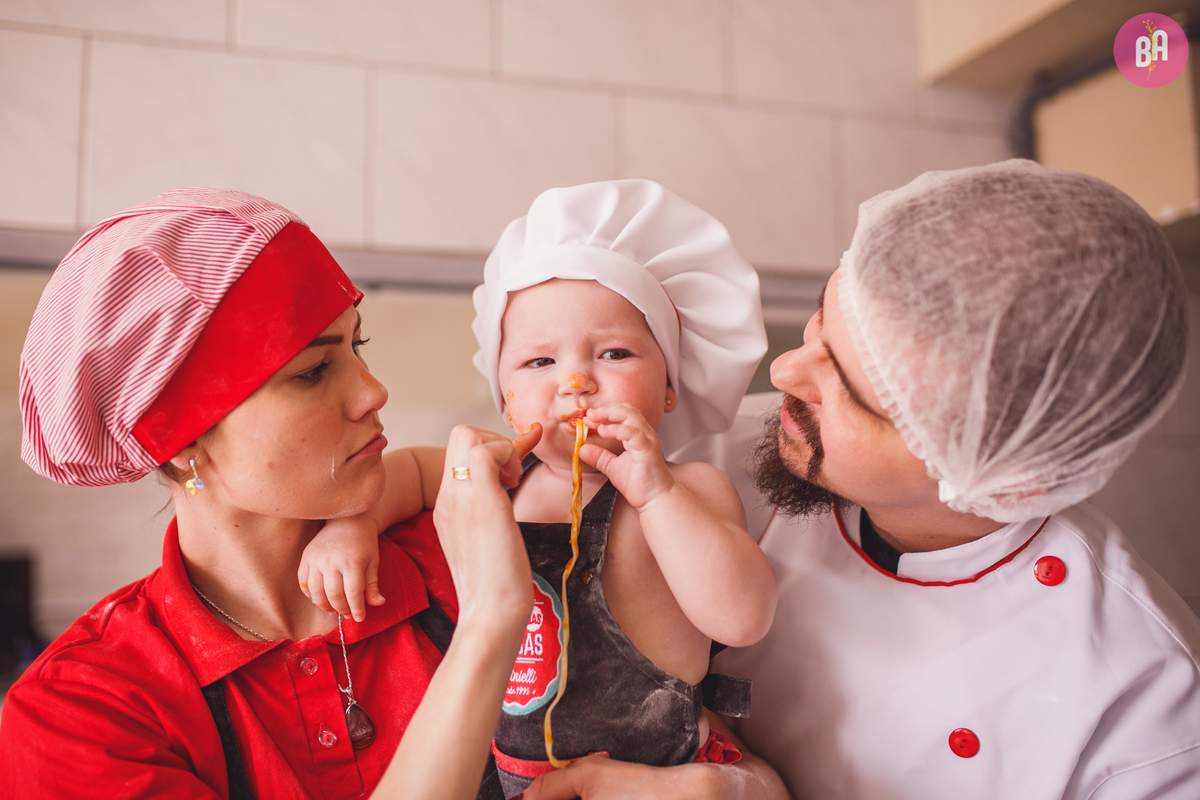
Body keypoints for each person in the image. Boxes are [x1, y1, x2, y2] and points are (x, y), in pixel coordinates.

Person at [0, 188, 540, 800]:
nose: (373, 393)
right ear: (180, 440)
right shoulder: (78, 710)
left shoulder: (475, 543)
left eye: (356, 347)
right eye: (312, 371)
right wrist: (489, 628)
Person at [700, 160, 1200, 799]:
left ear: (1002, 474)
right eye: (822, 320)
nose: (786, 374)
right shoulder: (715, 461)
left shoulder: (1140, 704)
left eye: (848, 393)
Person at [298, 180, 784, 799]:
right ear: (503, 400)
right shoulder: (495, 469)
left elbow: (743, 618)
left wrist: (656, 494)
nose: (577, 381)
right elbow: (407, 476)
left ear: (669, 386)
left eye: (614, 353)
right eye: (539, 363)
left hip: (654, 780)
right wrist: (351, 527)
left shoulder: (690, 489)